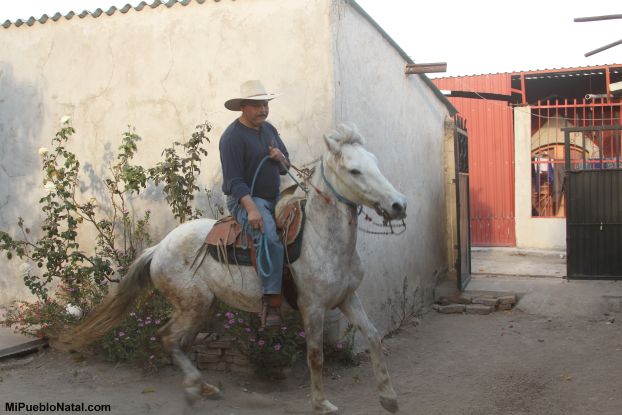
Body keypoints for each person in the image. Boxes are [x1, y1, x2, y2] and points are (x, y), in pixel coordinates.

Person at [219, 80, 290, 328]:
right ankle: (271, 300)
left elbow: (285, 166)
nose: (263, 110)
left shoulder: (269, 129)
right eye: (258, 105)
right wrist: (250, 209)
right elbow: (234, 181)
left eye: (266, 104)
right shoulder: (232, 138)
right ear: (243, 107)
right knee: (269, 236)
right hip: (247, 199)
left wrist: (280, 158)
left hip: (275, 196)